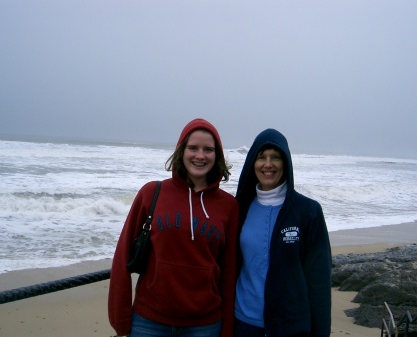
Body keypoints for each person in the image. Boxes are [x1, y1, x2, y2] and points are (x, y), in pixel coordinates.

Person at [108, 118, 239, 337]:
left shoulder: (229, 206)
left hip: (205, 325)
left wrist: (226, 330)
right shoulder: (151, 193)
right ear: (181, 151)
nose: (200, 155)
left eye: (208, 149)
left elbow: (229, 272)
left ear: (217, 156)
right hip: (148, 321)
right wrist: (120, 318)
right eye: (193, 148)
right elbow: (122, 257)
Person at [234, 128, 332, 337]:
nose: (268, 164)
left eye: (275, 157)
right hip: (243, 324)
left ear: (286, 162)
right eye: (261, 157)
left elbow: (319, 281)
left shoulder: (308, 211)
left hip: (291, 327)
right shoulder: (238, 208)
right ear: (252, 162)